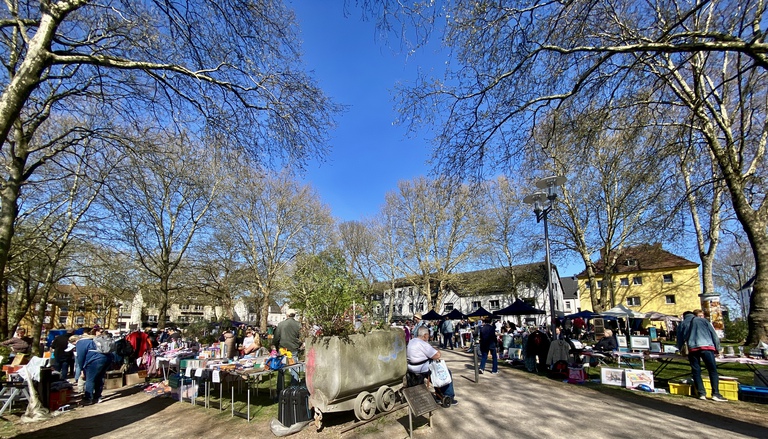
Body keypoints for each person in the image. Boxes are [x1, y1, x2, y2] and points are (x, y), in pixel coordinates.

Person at [677, 309, 727, 402]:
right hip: (707, 347)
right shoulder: (703, 320)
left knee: (696, 371)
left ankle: (701, 393)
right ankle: (715, 393)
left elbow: (679, 340)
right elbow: (714, 335)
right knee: (712, 370)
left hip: (692, 349)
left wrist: (681, 350)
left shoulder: (682, 324)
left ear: (684, 316)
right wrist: (718, 348)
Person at [406, 326, 458, 405]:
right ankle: (449, 396)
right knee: (446, 372)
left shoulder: (412, 341)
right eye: (428, 335)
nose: (429, 336)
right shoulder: (423, 343)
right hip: (421, 368)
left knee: (435, 370)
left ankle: (439, 394)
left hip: (412, 367)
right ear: (425, 335)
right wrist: (437, 350)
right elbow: (437, 355)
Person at [75, 326, 112, 405]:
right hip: (106, 359)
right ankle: (97, 396)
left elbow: (80, 357)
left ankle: (88, 398)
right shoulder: (99, 340)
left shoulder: (82, 342)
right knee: (100, 377)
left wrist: (81, 368)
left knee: (90, 379)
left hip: (94, 361)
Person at [274, 309, 302, 388]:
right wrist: (298, 345)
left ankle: (280, 389)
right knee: (294, 368)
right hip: (293, 348)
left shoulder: (281, 324)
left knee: (281, 369)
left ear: (287, 315)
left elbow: (276, 338)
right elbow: (301, 337)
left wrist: (276, 346)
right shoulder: (298, 325)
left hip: (283, 348)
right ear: (294, 315)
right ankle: (294, 388)